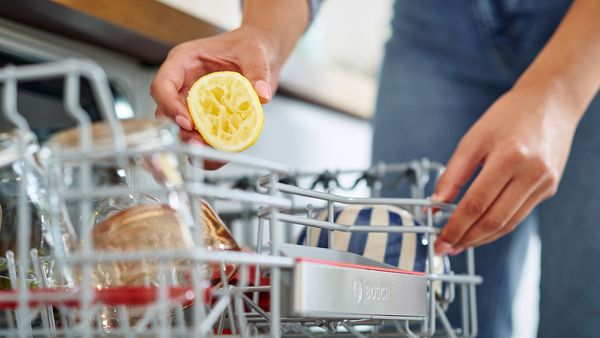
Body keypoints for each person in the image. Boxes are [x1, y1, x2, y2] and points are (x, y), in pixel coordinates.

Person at [150, 1, 600, 337]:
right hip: (437, 22)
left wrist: (559, 92)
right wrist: (262, 34)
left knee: (583, 311)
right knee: (417, 306)